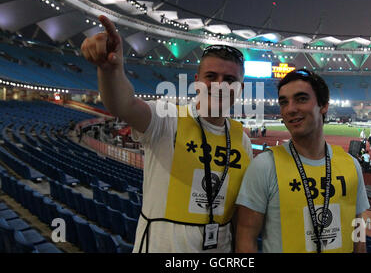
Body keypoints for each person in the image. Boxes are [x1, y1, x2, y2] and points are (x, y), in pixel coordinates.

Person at [81, 15, 253, 253]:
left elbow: (237, 209)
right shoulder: (167, 118)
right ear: (197, 82)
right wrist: (110, 71)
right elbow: (124, 105)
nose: (220, 85)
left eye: (230, 80)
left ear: (240, 89)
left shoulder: (242, 140)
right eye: (211, 77)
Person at [235, 69, 370, 253]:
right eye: (284, 102)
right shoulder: (264, 166)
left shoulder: (351, 165)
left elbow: (358, 226)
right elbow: (245, 238)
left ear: (323, 106)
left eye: (301, 99)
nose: (290, 109)